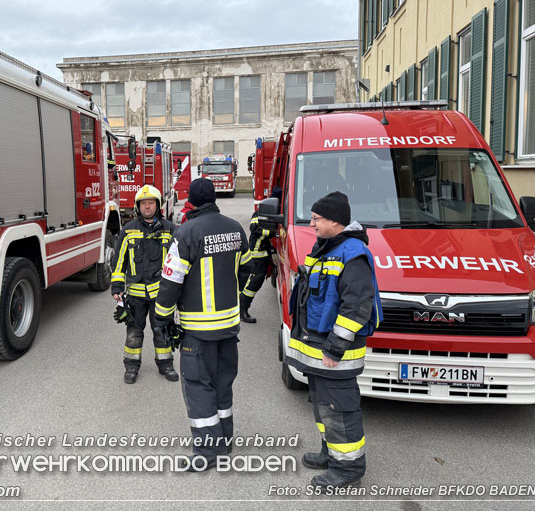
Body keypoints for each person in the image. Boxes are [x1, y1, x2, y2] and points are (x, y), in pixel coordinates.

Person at [155, 178, 252, 470]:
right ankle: (224, 441)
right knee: (223, 383)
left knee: (198, 386)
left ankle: (208, 452)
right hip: (228, 327)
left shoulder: (186, 232)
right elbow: (247, 269)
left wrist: (161, 317)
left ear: (191, 203)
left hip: (198, 330)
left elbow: (171, 282)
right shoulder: (235, 228)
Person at [286, 191, 382, 488]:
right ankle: (332, 453)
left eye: (317, 218)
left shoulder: (352, 254)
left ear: (335, 221)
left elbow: (356, 307)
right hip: (320, 350)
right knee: (324, 406)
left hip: (335, 353)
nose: (312, 223)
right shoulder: (329, 247)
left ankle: (348, 469)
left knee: (340, 410)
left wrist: (336, 348)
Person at [111, 185, 179, 384]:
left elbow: (178, 262)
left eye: (151, 203)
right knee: (134, 331)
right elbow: (118, 262)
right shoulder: (128, 230)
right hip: (136, 295)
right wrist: (116, 288)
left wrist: (178, 290)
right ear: (137, 206)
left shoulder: (170, 230)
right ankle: (131, 367)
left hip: (161, 293)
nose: (147, 207)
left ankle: (166, 364)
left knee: (162, 329)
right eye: (143, 204)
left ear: (158, 206)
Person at [237, 186, 282, 323]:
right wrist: (274, 232)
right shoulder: (259, 214)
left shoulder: (271, 211)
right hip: (256, 254)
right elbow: (255, 229)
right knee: (253, 283)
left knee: (256, 283)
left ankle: (242, 307)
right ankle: (242, 310)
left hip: (263, 253)